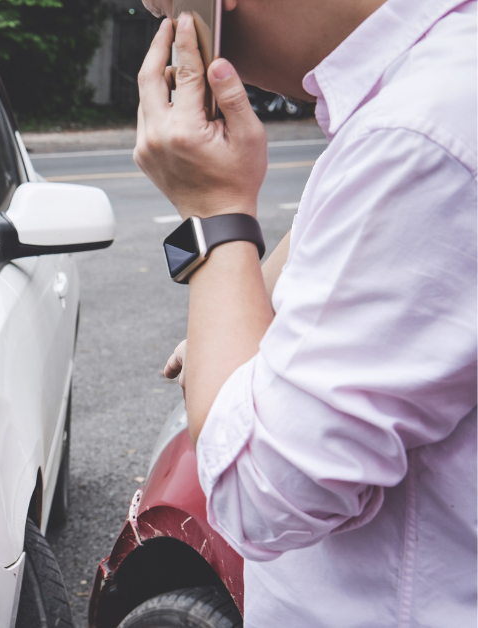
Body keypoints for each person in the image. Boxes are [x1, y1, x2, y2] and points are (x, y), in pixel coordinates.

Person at [136, 0, 475, 625]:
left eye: (154, 6)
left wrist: (212, 213)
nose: (159, 26)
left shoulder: (416, 135)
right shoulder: (417, 93)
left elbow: (262, 500)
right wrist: (229, 308)